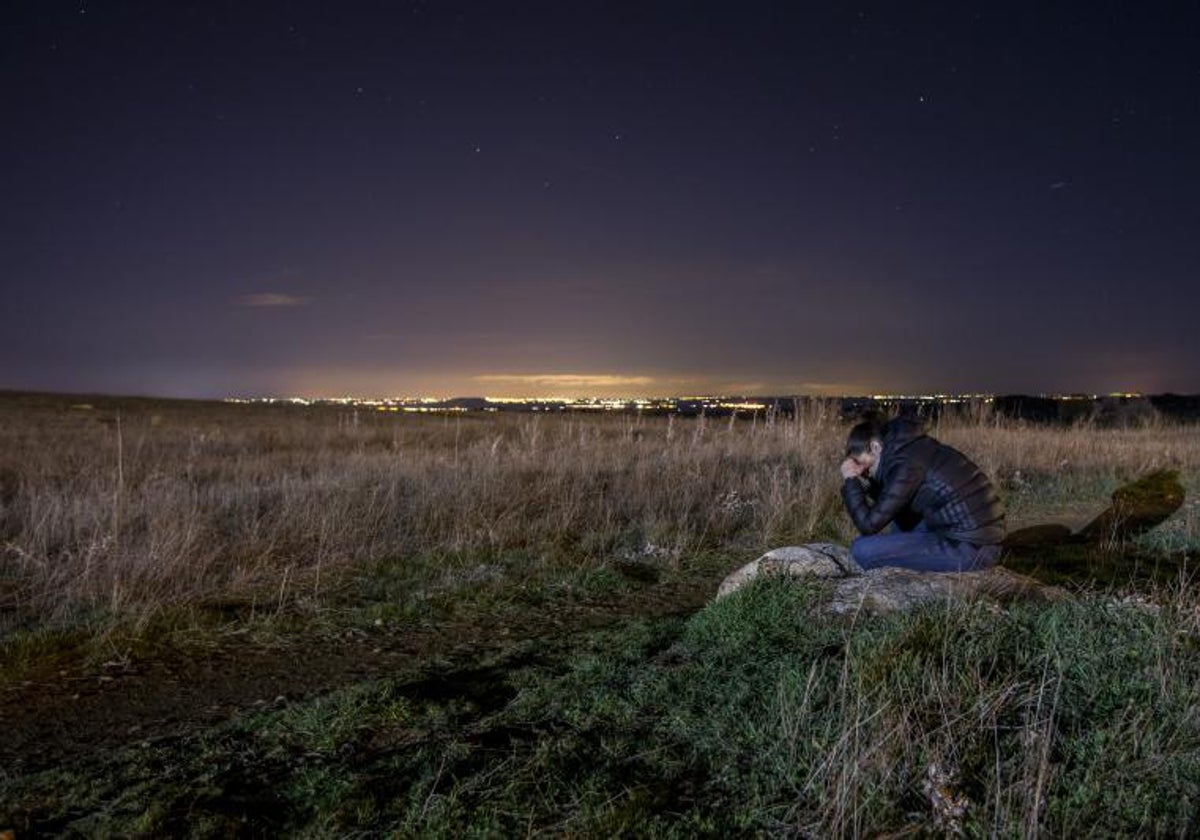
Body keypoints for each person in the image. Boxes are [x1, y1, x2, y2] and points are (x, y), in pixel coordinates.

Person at [839, 414, 1005, 572]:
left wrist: (851, 480)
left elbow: (868, 525)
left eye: (861, 463)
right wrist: (865, 484)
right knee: (899, 520)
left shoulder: (906, 464)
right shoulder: (907, 448)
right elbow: (890, 503)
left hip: (972, 548)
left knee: (861, 550)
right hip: (974, 534)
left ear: (875, 447)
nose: (862, 471)